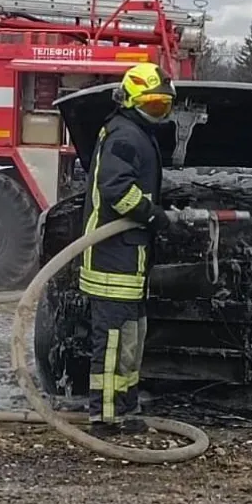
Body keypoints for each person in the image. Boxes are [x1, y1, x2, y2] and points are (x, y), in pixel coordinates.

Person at [79, 62, 175, 438]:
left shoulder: (136, 132)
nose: (159, 112)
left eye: (164, 106)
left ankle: (126, 408)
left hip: (130, 257)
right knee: (112, 342)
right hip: (111, 258)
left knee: (131, 339)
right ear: (132, 100)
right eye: (153, 105)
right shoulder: (125, 136)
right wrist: (154, 215)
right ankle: (104, 417)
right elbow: (117, 191)